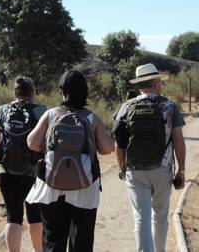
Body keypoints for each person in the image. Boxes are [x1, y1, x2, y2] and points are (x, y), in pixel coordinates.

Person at [26, 69, 114, 252]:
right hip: (85, 189)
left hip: (52, 187)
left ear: (63, 90)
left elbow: (32, 143)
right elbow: (107, 148)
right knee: (82, 244)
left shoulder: (51, 114)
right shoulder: (91, 117)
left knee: (53, 242)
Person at [113, 63, 186, 252]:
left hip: (135, 170)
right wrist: (182, 170)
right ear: (155, 83)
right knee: (160, 216)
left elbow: (118, 143)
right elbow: (178, 140)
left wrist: (122, 167)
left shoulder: (126, 107)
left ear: (139, 85)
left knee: (141, 218)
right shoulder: (169, 106)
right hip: (162, 169)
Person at [0, 76, 46, 252]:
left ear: (15, 92)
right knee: (35, 216)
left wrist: (4, 148)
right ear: (32, 93)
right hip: (32, 171)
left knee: (13, 217)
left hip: (5, 170)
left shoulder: (1, 110)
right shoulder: (41, 111)